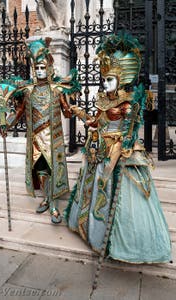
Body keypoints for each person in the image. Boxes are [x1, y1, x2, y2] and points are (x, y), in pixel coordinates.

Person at [65, 32, 172, 263]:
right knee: (93, 190)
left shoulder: (128, 102)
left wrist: (123, 146)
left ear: (122, 78)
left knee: (117, 194)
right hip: (98, 151)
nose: (105, 83)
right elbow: (95, 122)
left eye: (110, 79)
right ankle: (91, 233)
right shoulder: (104, 100)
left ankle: (122, 243)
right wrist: (77, 112)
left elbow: (130, 130)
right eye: (104, 79)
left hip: (118, 153)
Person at [3, 38, 80, 224]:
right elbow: (19, 112)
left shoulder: (57, 89)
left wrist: (73, 108)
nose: (39, 71)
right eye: (36, 68)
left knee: (53, 170)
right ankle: (46, 198)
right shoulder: (28, 91)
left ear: (49, 68)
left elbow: (67, 113)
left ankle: (53, 206)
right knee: (41, 171)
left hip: (53, 139)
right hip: (36, 139)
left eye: (42, 67)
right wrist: (7, 124)